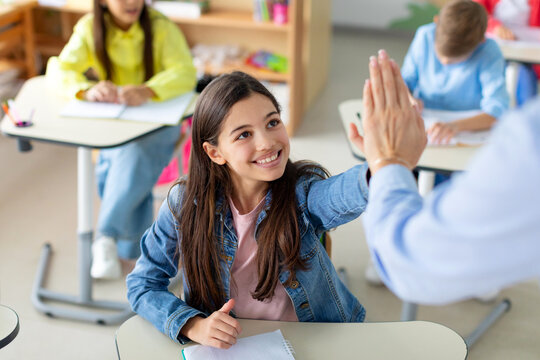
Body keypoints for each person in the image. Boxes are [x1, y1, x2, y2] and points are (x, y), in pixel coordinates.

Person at [126, 72, 370, 348]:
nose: (267, 142)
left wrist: (378, 168)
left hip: (310, 340)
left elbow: (340, 195)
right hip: (233, 348)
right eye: (244, 134)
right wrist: (193, 325)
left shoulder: (302, 192)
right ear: (214, 152)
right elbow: (143, 284)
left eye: (272, 122)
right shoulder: (184, 203)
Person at [351, 48, 540, 305]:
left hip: (451, 155)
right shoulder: (426, 39)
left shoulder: (528, 137)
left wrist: (386, 161)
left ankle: (478, 270)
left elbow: (413, 264)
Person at [46, 0, 197, 279]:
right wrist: (86, 90)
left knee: (127, 155)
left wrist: (149, 90)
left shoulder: (161, 26)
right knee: (121, 156)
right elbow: (57, 69)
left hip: (159, 121)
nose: (132, 2)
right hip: (114, 124)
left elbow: (186, 73)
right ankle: (137, 252)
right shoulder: (89, 27)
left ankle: (106, 236)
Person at [402, 0, 509, 145]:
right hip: (425, 121)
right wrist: (409, 99)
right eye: (440, 55)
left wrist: (455, 126)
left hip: (468, 131)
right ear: (436, 22)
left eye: (455, 60)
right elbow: (404, 82)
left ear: (481, 41)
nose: (445, 62)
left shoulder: (489, 51)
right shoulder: (425, 35)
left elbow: (497, 111)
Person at [474, 0, 540, 106]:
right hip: (493, 52)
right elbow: (475, 12)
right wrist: (494, 27)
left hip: (526, 55)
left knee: (524, 82)